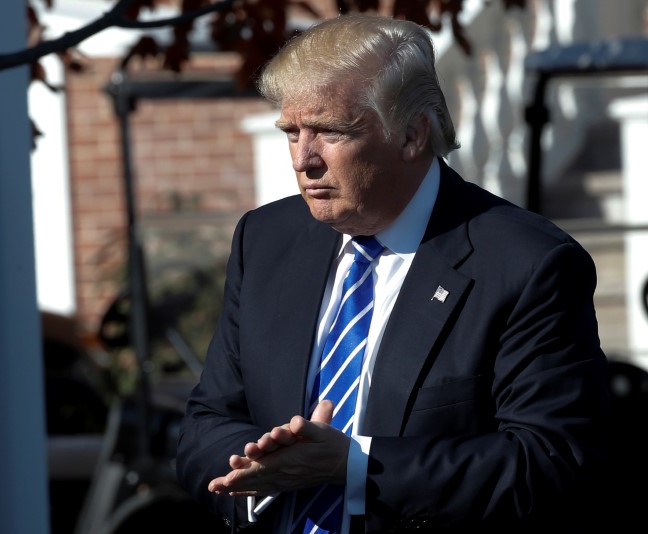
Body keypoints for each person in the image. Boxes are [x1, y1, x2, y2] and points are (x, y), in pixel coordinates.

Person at [175, 13, 610, 533]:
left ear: (411, 135)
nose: (304, 159)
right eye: (292, 132)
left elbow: (551, 460)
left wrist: (354, 465)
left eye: (331, 132)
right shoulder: (264, 240)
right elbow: (206, 425)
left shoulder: (526, 264)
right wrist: (257, 471)